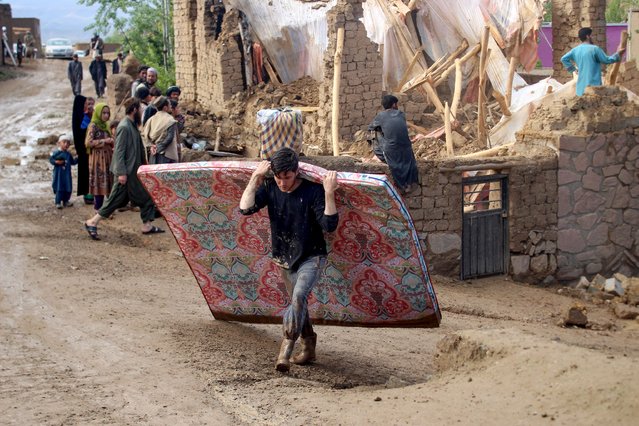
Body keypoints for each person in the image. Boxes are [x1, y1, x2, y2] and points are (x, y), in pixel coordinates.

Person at [239, 148, 339, 372]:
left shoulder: (313, 191)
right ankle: (309, 346)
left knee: (299, 295)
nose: (282, 183)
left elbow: (329, 225)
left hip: (312, 256)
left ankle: (286, 348)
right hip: (284, 257)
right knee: (298, 302)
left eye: (288, 177)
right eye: (278, 177)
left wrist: (329, 192)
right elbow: (245, 208)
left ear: (297, 173)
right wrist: (256, 177)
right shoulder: (271, 188)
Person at [84, 98, 163, 240]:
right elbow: (119, 152)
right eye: (139, 109)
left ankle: (147, 225)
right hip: (126, 175)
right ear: (134, 110)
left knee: (146, 198)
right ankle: (92, 222)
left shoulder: (131, 126)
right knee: (114, 201)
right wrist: (121, 173)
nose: (141, 112)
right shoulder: (124, 127)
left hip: (134, 174)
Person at [368, 94, 419, 193]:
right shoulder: (401, 114)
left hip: (392, 151)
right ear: (394, 104)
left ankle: (383, 156)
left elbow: (370, 128)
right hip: (407, 150)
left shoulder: (381, 116)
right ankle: (409, 183)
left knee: (374, 134)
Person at [561, 27, 625, 97]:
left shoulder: (575, 50)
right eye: (591, 35)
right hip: (593, 87)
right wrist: (618, 54)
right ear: (587, 36)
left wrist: (573, 69)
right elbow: (607, 60)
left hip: (580, 88)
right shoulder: (595, 49)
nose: (592, 37)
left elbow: (563, 59)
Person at [85, 103, 115, 212]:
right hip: (97, 159)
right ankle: (98, 208)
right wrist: (104, 141)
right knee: (99, 182)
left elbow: (109, 138)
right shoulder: (93, 125)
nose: (106, 115)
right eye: (104, 113)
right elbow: (88, 143)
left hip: (107, 157)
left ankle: (108, 208)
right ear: (98, 113)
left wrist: (111, 140)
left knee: (109, 181)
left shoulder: (106, 125)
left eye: (108, 113)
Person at [72, 95, 95, 205]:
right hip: (84, 151)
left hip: (91, 150)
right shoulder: (80, 118)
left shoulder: (86, 115)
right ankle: (88, 195)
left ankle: (93, 194)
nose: (87, 105)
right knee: (86, 172)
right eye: (85, 103)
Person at [143, 96, 179, 164]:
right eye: (169, 105)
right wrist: (159, 148)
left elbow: (145, 135)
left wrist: (152, 146)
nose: (171, 106)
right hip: (167, 156)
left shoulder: (151, 120)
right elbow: (169, 137)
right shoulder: (170, 120)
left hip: (153, 154)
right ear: (165, 107)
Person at [49, 134, 78, 209]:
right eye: (64, 142)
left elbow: (72, 162)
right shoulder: (56, 153)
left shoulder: (68, 154)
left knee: (68, 187)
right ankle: (58, 202)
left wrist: (78, 158)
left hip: (67, 175)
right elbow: (51, 160)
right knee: (59, 188)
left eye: (68, 143)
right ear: (59, 143)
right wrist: (56, 162)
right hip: (59, 175)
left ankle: (66, 201)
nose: (66, 144)